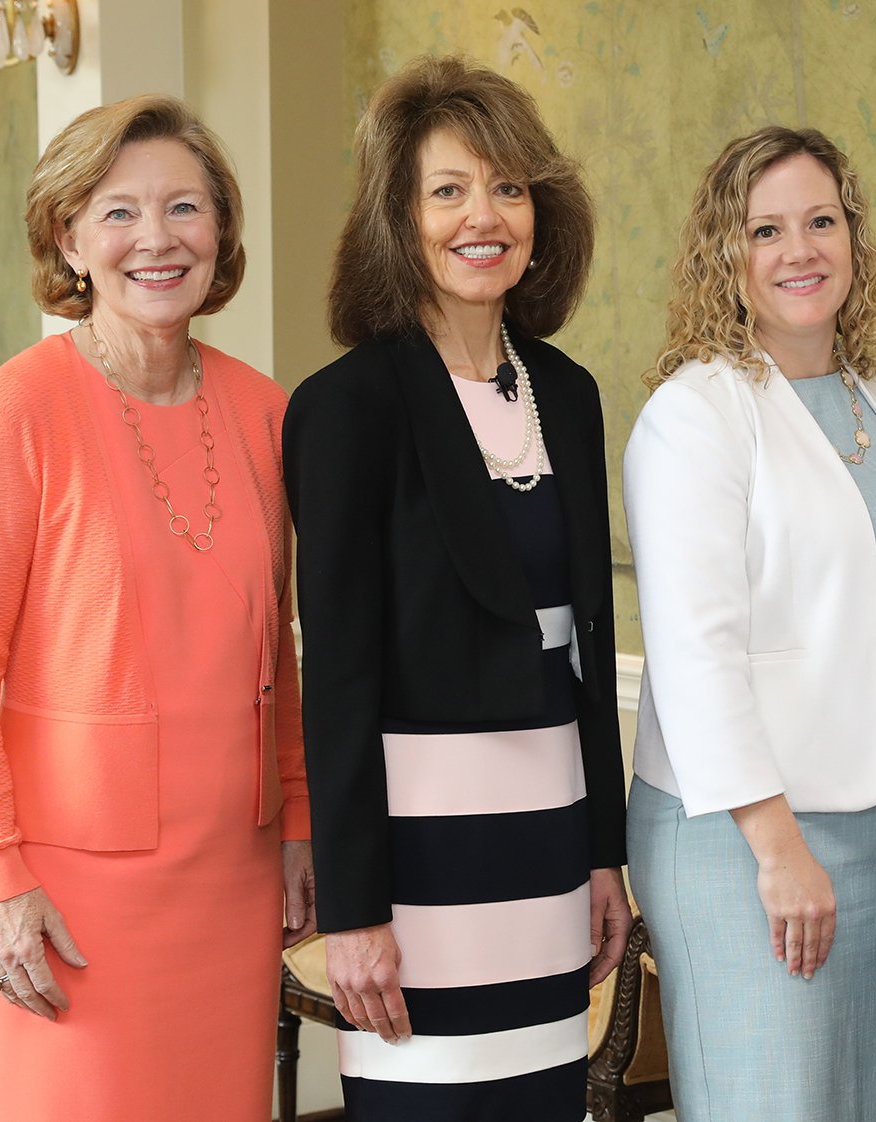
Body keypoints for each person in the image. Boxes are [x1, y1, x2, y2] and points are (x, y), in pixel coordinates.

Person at [0, 96, 311, 1122]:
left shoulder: (270, 413)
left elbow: (281, 643)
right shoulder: (13, 411)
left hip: (232, 878)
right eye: (120, 212)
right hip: (66, 891)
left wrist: (302, 817)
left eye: (186, 208)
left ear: (220, 232)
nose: (158, 239)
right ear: (70, 236)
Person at [283, 55, 629, 1120]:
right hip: (416, 862)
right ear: (400, 216)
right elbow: (337, 679)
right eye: (449, 190)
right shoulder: (346, 408)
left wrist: (605, 855)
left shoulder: (567, 395)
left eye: (510, 187)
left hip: (547, 839)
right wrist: (353, 910)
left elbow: (589, 638)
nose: (485, 217)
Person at [623, 125, 876, 1122]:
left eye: (821, 221)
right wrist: (777, 847)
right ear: (729, 254)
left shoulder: (870, 393)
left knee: (862, 1105)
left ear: (853, 238)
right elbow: (694, 652)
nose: (800, 250)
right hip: (746, 837)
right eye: (766, 230)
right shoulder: (696, 414)